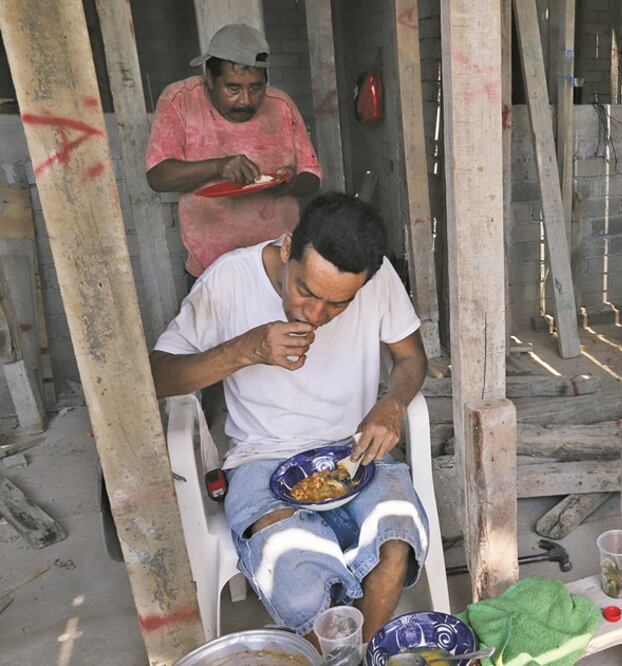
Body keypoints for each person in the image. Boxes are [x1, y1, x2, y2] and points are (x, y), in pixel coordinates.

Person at [150, 193, 428, 642]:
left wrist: (392, 403)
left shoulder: (378, 278)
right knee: (298, 580)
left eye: (337, 304)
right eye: (306, 290)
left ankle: (359, 654)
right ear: (286, 248)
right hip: (261, 459)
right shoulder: (229, 279)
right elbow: (158, 375)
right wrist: (247, 350)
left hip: (353, 451)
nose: (314, 315)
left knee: (396, 543)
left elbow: (411, 357)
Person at [146, 23, 322, 284]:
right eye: (233, 88)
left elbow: (312, 177)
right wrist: (218, 166)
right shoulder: (179, 100)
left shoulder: (282, 105)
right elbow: (157, 176)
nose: (245, 101)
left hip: (278, 266)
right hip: (210, 268)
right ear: (209, 77)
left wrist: (287, 184)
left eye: (256, 88)